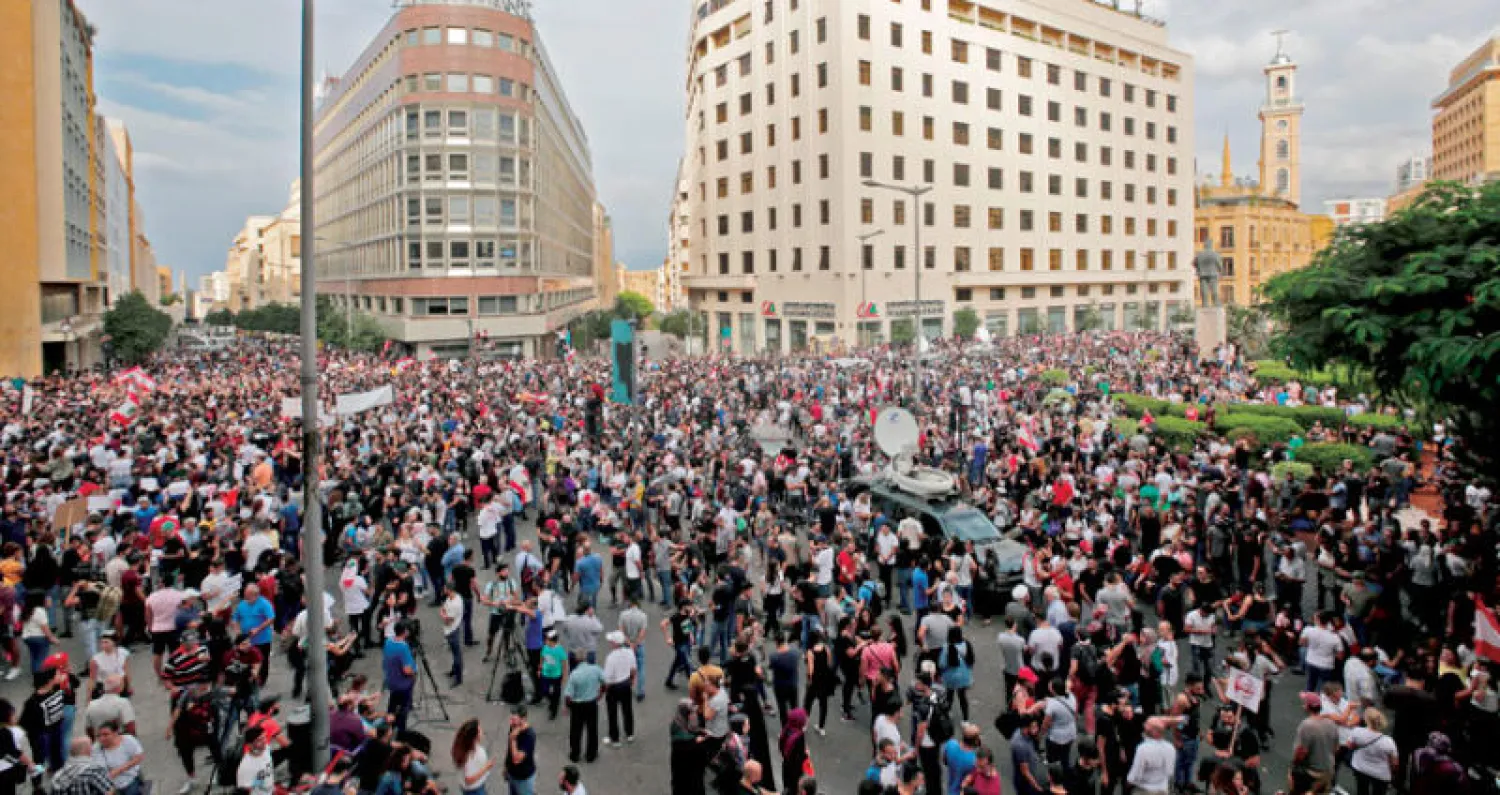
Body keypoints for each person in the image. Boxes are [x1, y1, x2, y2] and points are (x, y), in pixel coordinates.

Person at [1291, 691, 1340, 795]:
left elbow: (1301, 752)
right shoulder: (1331, 723)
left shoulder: (1306, 725)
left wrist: (1294, 765)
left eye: (1304, 703)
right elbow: (1336, 748)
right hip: (1328, 771)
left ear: (1308, 707)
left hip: (1312, 773)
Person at [1347, 708, 1398, 795]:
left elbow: (1350, 746)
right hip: (1381, 775)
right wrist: (1393, 774)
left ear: (1367, 720)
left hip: (1360, 768)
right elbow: (1394, 763)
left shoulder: (1357, 732)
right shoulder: (1388, 741)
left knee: (1362, 790)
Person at [563, 654, 603, 763]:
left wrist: (567, 706)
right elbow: (605, 681)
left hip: (577, 706)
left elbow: (568, 695)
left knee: (576, 730)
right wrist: (601, 693)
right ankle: (591, 754)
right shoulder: (595, 669)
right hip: (591, 703)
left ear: (576, 661)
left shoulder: (574, 675)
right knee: (592, 729)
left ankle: (575, 754)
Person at [602, 631, 637, 746]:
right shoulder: (629, 652)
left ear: (615, 643)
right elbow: (633, 669)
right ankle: (630, 733)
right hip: (626, 684)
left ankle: (615, 738)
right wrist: (631, 680)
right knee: (627, 710)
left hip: (614, 687)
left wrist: (604, 690)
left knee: (612, 713)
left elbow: (607, 678)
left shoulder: (611, 657)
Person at [91, 721, 145, 795]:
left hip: (128, 777)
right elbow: (97, 767)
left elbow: (139, 757)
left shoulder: (128, 740)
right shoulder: (96, 748)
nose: (101, 738)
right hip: (107, 782)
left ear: (115, 733)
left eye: (105, 735)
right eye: (99, 736)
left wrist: (118, 770)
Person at [383, 619, 417, 732]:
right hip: (403, 683)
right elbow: (407, 670)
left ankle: (389, 725)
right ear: (405, 632)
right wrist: (413, 673)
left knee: (393, 702)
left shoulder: (388, 641)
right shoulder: (403, 647)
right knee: (403, 707)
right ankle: (401, 731)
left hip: (391, 679)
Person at [452, 718, 495, 795]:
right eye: (479, 730)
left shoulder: (463, 747)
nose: (482, 731)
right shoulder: (471, 755)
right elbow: (468, 780)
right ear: (474, 736)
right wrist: (486, 767)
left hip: (471, 788)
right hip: (475, 789)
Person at [505, 706, 538, 795]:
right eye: (511, 719)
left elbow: (516, 760)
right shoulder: (514, 726)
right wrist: (506, 766)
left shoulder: (529, 735)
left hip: (523, 779)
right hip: (512, 774)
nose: (511, 722)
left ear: (523, 719)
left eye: (514, 719)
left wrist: (513, 739)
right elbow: (509, 750)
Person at [941, 722, 981, 795]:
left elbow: (945, 761)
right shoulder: (974, 761)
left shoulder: (951, 744)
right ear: (975, 741)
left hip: (951, 788)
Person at [779, 708, 811, 793]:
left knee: (787, 788)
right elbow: (799, 759)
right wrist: (806, 754)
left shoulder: (786, 730)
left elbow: (782, 747)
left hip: (786, 767)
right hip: (795, 773)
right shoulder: (799, 737)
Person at [442, 581, 466, 685]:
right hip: (451, 629)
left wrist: (442, 615)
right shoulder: (453, 597)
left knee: (457, 655)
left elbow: (448, 619)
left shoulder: (455, 604)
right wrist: (443, 613)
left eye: (445, 588)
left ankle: (458, 678)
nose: (443, 589)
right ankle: (454, 670)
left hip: (452, 630)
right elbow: (443, 608)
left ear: (449, 590)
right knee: (454, 652)